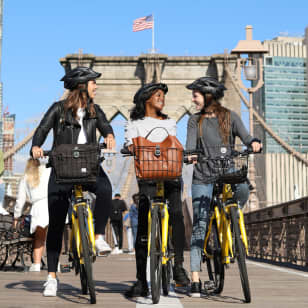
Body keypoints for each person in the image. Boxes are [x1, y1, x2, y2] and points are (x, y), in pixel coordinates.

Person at [31, 66, 116, 297]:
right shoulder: (58, 109)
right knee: (56, 222)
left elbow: (106, 125)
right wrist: (36, 146)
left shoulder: (94, 110)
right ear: (82, 86)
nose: (96, 86)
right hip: (62, 168)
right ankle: (51, 278)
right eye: (92, 82)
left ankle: (98, 237)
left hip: (89, 166)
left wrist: (109, 135)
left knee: (106, 188)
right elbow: (42, 129)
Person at [185, 76, 262, 297]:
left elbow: (247, 137)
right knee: (200, 223)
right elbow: (191, 145)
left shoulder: (230, 117)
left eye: (196, 95)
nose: (193, 99)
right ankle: (196, 278)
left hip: (227, 172)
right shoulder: (194, 121)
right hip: (203, 176)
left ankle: (232, 218)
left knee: (244, 188)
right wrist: (190, 155)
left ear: (208, 97)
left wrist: (253, 143)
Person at [124, 83, 190, 298]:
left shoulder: (170, 122)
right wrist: (130, 147)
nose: (162, 99)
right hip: (148, 175)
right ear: (146, 99)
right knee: (143, 227)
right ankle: (141, 280)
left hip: (170, 174)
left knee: (178, 214)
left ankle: (178, 265)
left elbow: (171, 144)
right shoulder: (134, 123)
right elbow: (129, 143)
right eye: (158, 95)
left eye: (163, 95)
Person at [13, 158, 51, 272]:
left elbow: (20, 200)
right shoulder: (47, 171)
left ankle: (37, 264)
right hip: (51, 204)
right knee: (54, 237)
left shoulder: (25, 177)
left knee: (39, 238)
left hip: (38, 208)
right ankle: (56, 264)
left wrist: (16, 216)